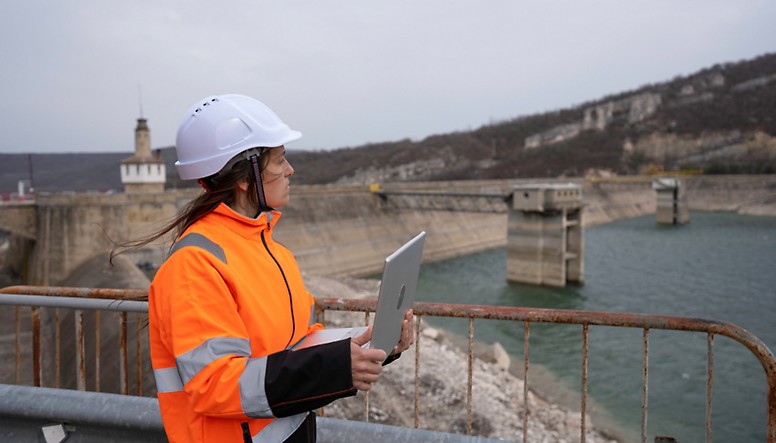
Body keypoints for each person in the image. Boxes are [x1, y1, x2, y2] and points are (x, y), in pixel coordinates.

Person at [133, 94, 414, 442]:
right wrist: (336, 367)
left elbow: (298, 342)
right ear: (244, 176)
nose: (290, 170)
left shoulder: (272, 250)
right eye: (280, 160)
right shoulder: (195, 265)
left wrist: (375, 345)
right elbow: (215, 384)